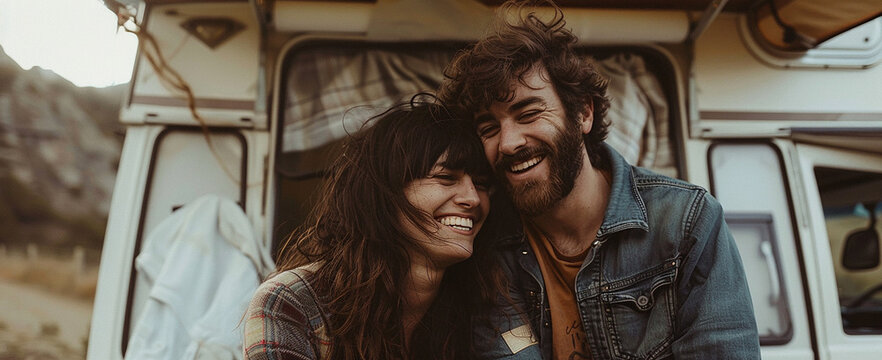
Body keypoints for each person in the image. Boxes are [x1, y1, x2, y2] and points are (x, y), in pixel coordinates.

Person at [439, 1, 762, 359]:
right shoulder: (490, 242)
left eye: (529, 113)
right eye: (489, 128)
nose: (509, 142)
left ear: (583, 113)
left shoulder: (686, 222)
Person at [242, 97, 502, 359]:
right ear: (385, 195)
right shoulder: (292, 302)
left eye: (481, 184)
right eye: (446, 178)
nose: (473, 198)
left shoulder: (487, 304)